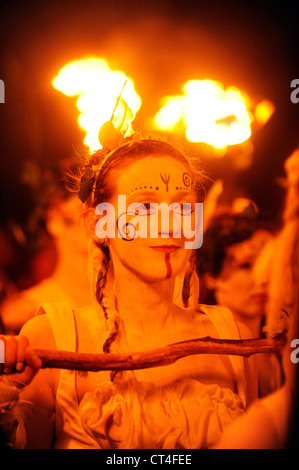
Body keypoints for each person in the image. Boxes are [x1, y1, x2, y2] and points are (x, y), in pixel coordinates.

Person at [0, 136, 258, 449]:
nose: (169, 224)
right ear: (100, 224)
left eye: (183, 207)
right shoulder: (51, 339)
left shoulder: (234, 342)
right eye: (146, 207)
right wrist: (9, 390)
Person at [196, 208, 283, 397]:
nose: (262, 278)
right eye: (246, 265)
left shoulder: (286, 346)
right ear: (212, 275)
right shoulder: (202, 356)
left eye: (269, 265)